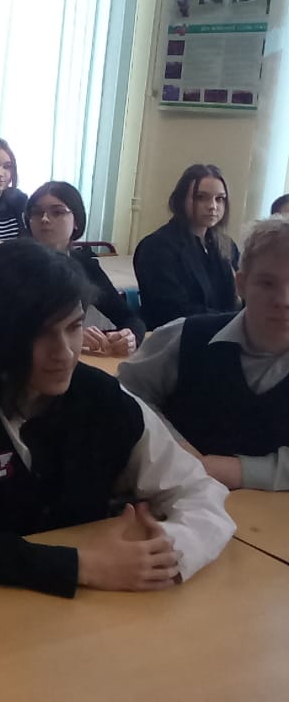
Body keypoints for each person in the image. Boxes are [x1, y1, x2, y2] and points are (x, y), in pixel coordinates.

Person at [0, 239, 234, 598]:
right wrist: (80, 567)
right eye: (41, 334)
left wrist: (165, 553)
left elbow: (198, 491)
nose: (65, 352)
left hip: (87, 607)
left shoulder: (101, 394)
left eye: (74, 327)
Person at [120, 215, 289, 492]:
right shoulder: (184, 337)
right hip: (168, 497)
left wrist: (238, 471)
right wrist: (176, 447)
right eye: (267, 283)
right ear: (241, 285)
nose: (283, 300)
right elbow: (125, 394)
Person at [26, 181, 144, 355]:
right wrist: (70, 335)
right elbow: (5, 327)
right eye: (36, 213)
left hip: (71, 359)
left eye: (57, 212)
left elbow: (128, 317)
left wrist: (130, 336)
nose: (44, 219)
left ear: (76, 221)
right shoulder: (13, 264)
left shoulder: (85, 265)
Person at [133, 163, 239, 331]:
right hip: (175, 338)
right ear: (181, 200)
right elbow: (173, 311)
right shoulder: (156, 247)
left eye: (219, 199)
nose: (213, 206)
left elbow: (239, 299)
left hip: (222, 332)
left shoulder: (226, 245)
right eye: (201, 197)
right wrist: (233, 322)